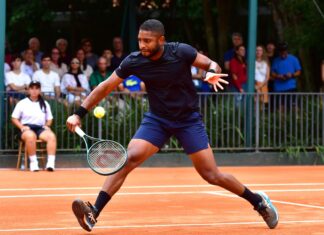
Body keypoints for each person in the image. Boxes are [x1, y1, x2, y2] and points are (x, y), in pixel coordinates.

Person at [66, 19, 278, 232]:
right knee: (128, 158)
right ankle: (94, 211)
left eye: (147, 41)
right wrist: (78, 113)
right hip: (157, 120)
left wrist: (211, 72)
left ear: (161, 40)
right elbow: (106, 86)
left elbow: (211, 64)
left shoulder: (181, 51)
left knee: (211, 175)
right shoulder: (134, 61)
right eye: (140, 40)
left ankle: (258, 202)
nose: (142, 45)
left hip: (188, 120)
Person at [11, 81, 57, 171]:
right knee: (31, 136)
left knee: (51, 136)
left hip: (40, 128)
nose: (34, 91)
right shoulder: (22, 103)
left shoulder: (45, 103)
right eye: (32, 88)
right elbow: (14, 118)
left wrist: (47, 125)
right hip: (26, 128)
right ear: (28, 90)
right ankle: (33, 163)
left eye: (37, 88)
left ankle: (50, 164)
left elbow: (50, 118)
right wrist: (21, 127)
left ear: (40, 90)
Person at [271, 42, 301, 110]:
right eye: (281, 52)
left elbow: (299, 72)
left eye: (284, 52)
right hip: (278, 88)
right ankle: (281, 120)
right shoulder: (276, 60)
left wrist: (292, 74)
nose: (283, 54)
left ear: (287, 51)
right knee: (281, 108)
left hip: (291, 87)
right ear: (279, 52)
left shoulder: (294, 59)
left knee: (294, 107)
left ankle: (295, 120)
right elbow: (272, 73)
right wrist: (278, 76)